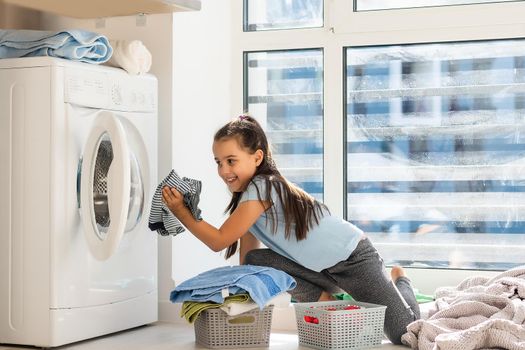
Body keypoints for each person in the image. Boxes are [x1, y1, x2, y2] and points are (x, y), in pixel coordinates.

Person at [162, 114, 420, 344]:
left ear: (257, 157)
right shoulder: (247, 198)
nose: (223, 171)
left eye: (231, 161)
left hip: (354, 259)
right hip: (321, 271)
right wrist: (242, 301)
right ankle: (323, 301)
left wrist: (181, 212)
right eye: (218, 162)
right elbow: (248, 260)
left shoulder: (264, 186)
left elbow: (219, 240)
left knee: (406, 333)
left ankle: (400, 279)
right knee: (255, 260)